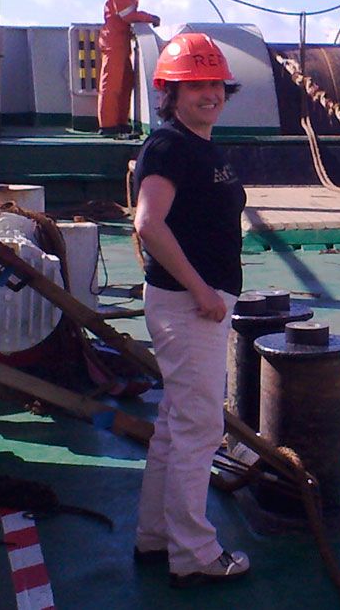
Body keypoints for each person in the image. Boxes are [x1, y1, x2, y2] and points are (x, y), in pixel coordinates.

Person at [132, 33, 250, 587]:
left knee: (174, 426)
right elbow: (147, 224)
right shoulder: (169, 147)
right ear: (171, 92)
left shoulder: (203, 144)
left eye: (214, 84)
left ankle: (155, 536)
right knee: (200, 427)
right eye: (195, 85)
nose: (208, 94)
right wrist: (203, 291)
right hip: (189, 307)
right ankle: (195, 555)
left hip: (198, 303)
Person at [98, 0, 196, 136]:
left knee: (125, 82)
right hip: (113, 42)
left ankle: (120, 122)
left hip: (122, 41)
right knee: (111, 84)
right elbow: (127, 15)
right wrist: (151, 18)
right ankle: (108, 126)